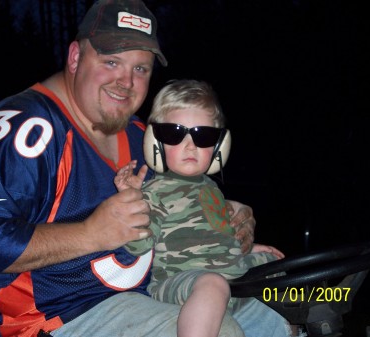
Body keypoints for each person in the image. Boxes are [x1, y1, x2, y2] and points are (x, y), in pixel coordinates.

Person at [0, 1, 289, 336]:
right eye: (111, 61)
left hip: (141, 296)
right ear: (75, 57)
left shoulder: (144, 137)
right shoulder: (29, 128)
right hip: (44, 320)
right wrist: (91, 233)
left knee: (277, 317)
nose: (126, 81)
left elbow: (176, 209)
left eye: (140, 68)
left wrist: (227, 217)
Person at [114, 79, 287, 337]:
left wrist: (250, 248)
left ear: (218, 146)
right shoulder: (157, 191)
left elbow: (217, 233)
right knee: (212, 284)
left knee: (278, 264)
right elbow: (137, 247)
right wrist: (133, 202)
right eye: (174, 133)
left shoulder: (210, 188)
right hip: (182, 284)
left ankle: (306, 322)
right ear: (156, 141)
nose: (190, 145)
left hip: (231, 281)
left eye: (202, 135)